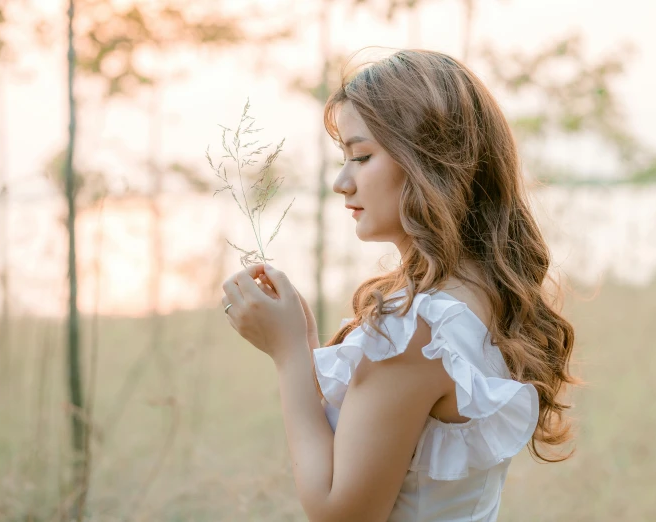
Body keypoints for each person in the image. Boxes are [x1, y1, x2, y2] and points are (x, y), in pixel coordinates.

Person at [220, 49, 577, 522]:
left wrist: (288, 356)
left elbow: (338, 513)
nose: (342, 183)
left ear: (431, 161)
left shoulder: (418, 332)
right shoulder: (483, 295)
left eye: (362, 155)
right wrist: (305, 344)